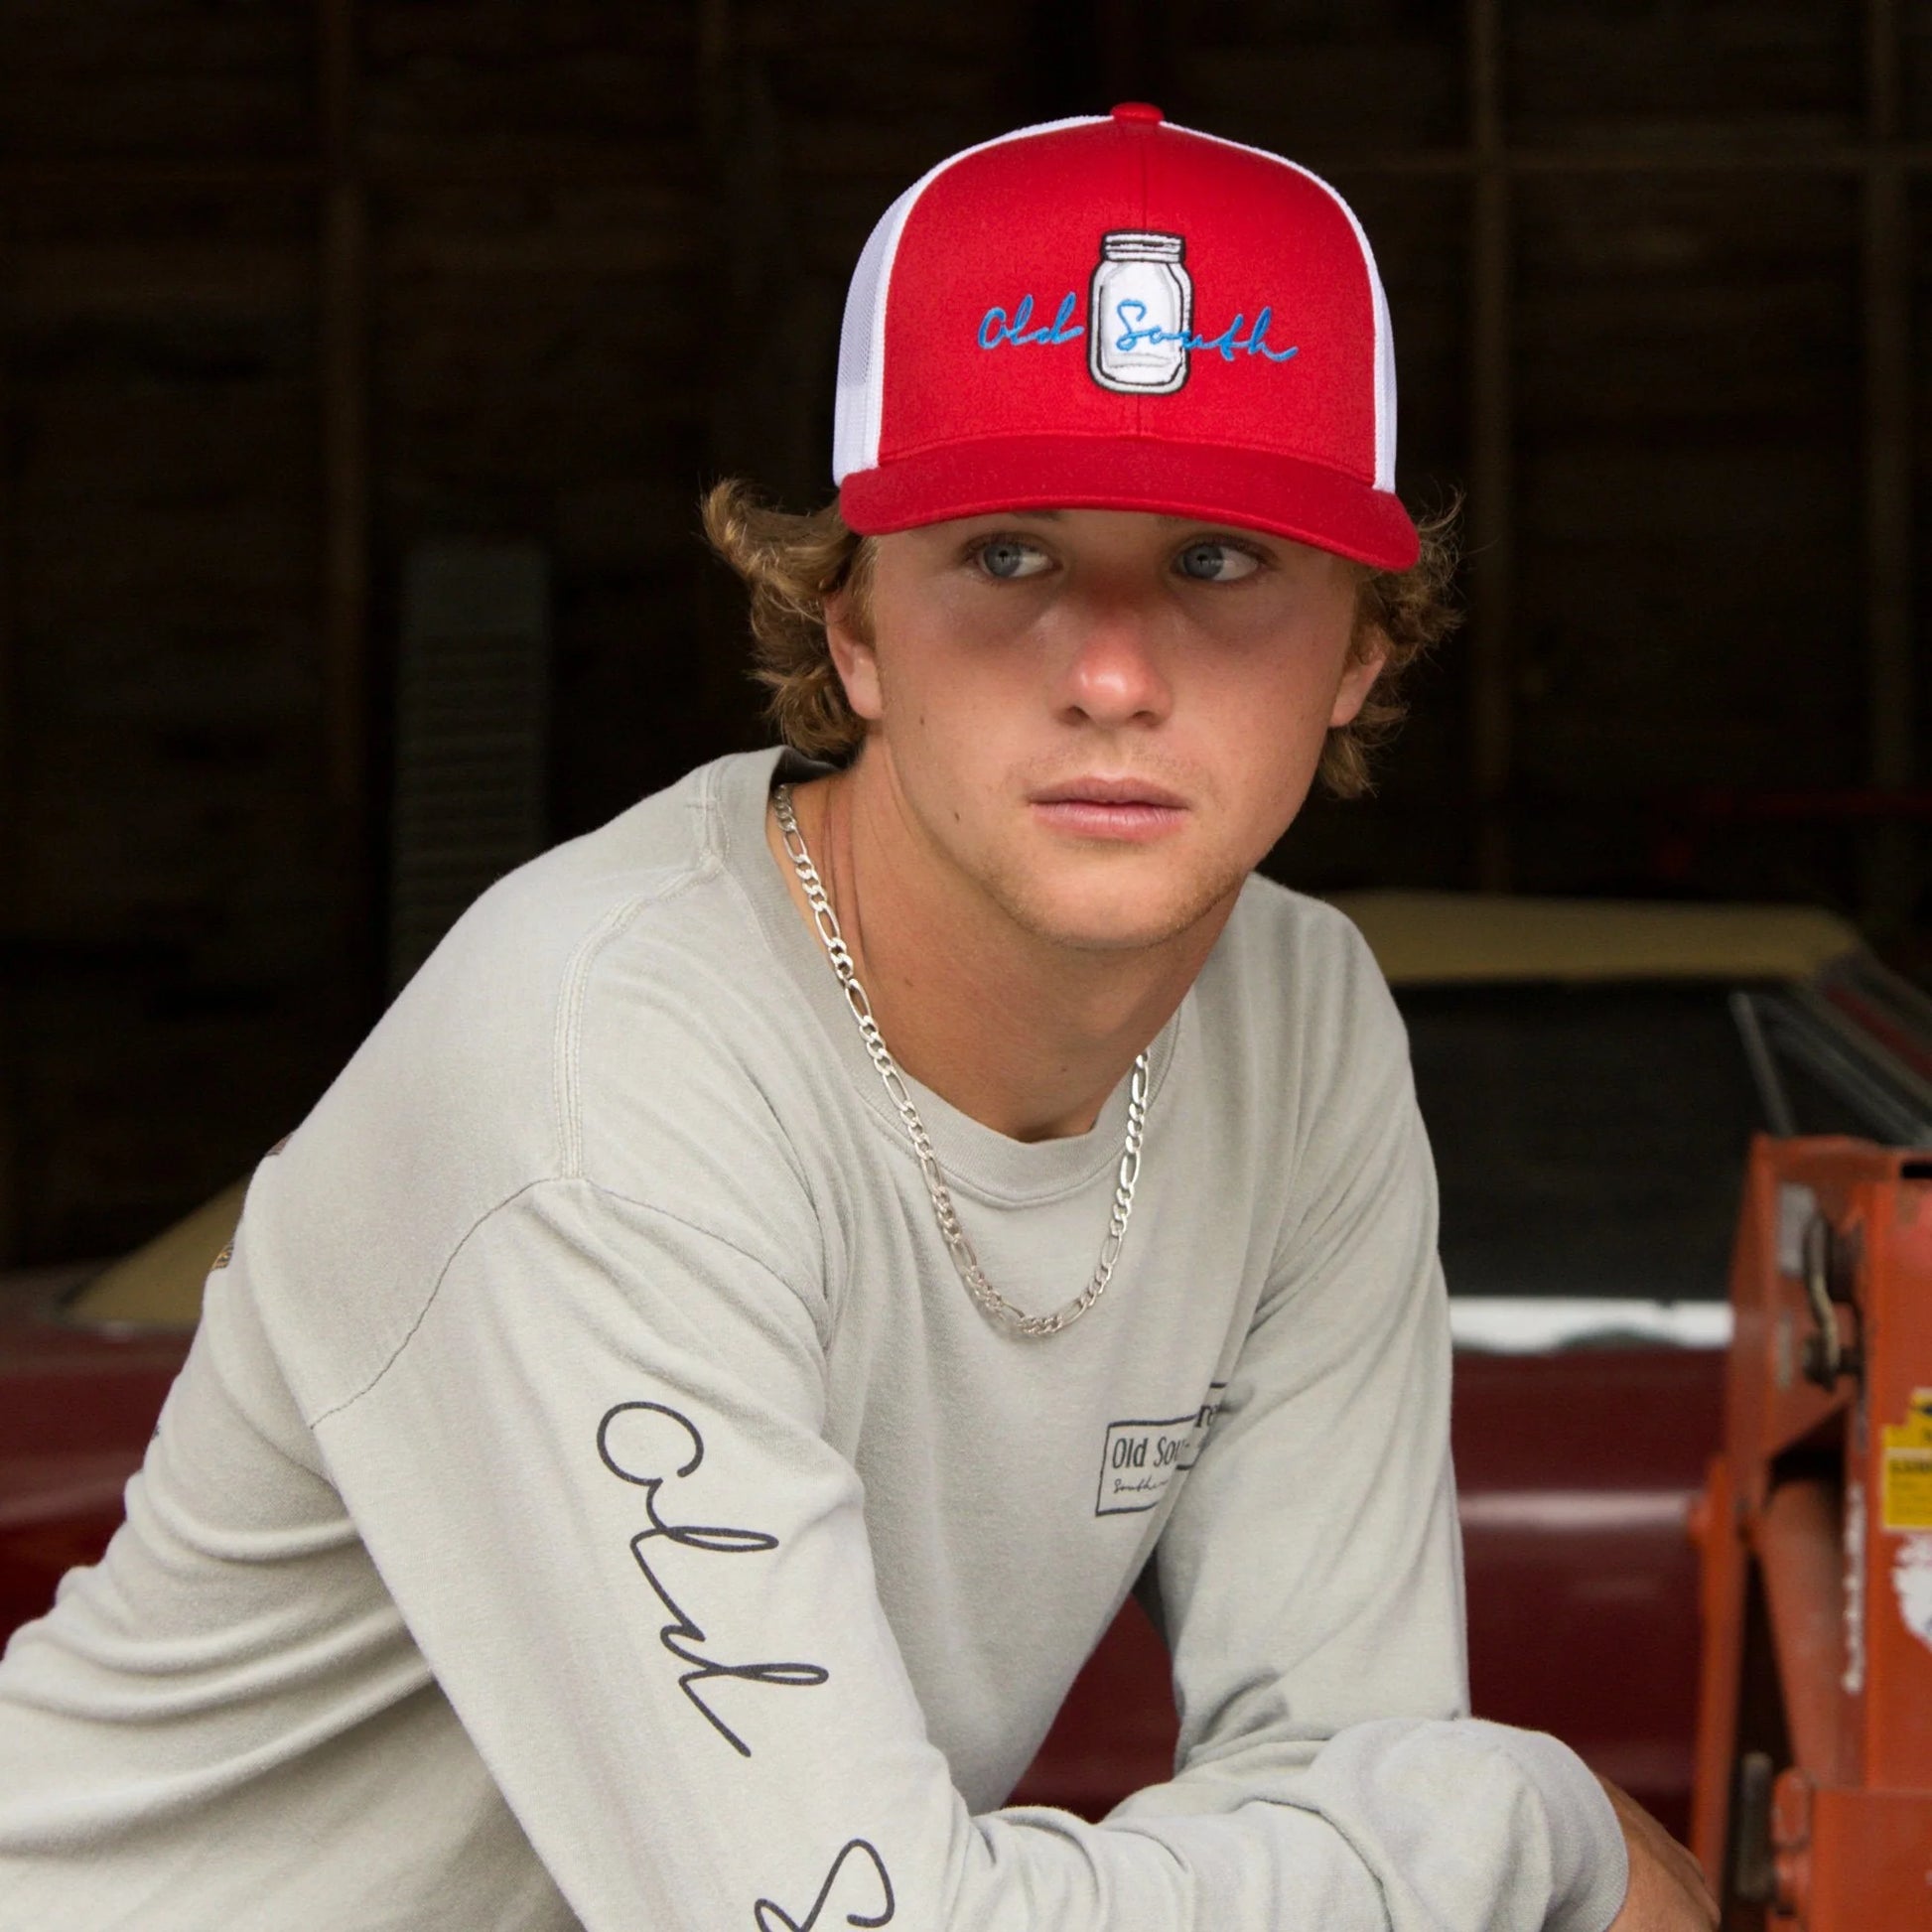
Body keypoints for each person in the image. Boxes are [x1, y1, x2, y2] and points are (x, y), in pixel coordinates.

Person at [0, 106, 1716, 1930]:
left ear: (1363, 645)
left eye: (1217, 560)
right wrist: (1531, 1827)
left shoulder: (1300, 1027)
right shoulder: (607, 1061)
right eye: (1009, 556)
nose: (1112, 673)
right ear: (853, 630)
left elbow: (1355, 1783)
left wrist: (1443, 1841)